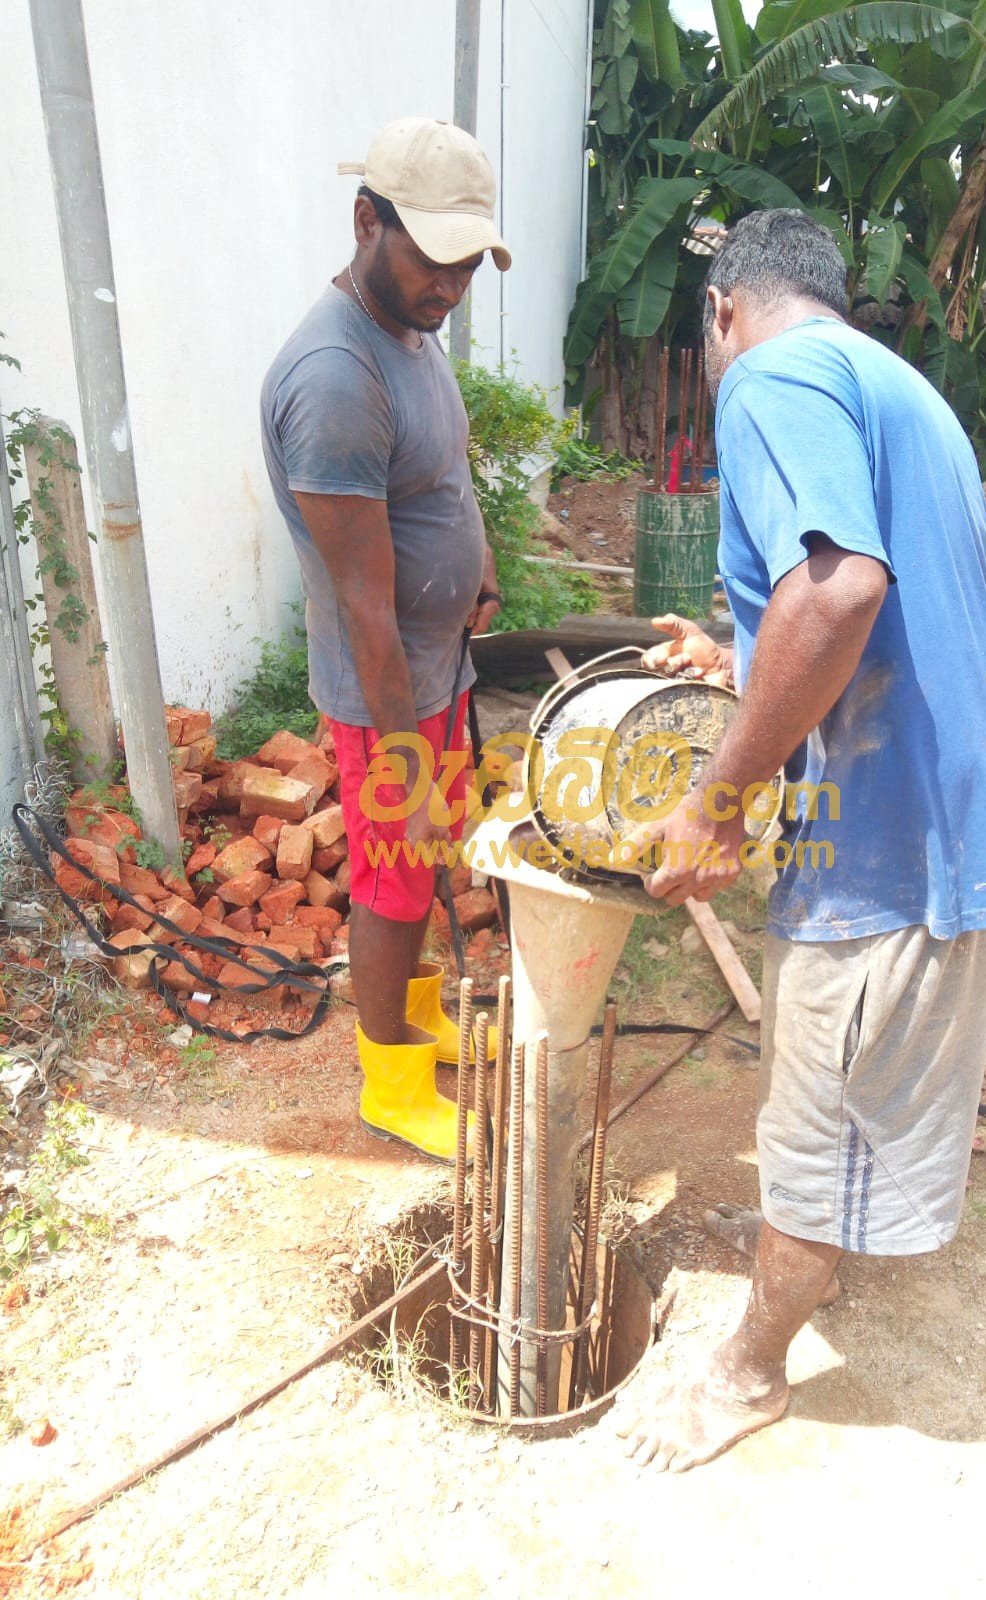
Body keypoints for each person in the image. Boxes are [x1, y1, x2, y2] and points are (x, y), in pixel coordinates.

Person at [619, 209, 986, 1471]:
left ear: (724, 308)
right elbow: (870, 609)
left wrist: (716, 800)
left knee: (820, 1105)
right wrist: (735, 656)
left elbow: (839, 591)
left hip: (890, 836)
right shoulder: (900, 390)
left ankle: (749, 1372)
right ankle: (815, 1230)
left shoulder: (771, 376)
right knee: (838, 1099)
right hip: (943, 806)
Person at [260, 118, 508, 1161]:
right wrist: (404, 756)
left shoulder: (410, 325)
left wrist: (477, 560)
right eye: (433, 258)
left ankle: (414, 1012)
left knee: (420, 856)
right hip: (385, 685)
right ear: (368, 220)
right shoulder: (334, 378)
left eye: (468, 263)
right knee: (393, 871)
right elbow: (363, 604)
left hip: (434, 663)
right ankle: (390, 1079)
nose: (451, 284)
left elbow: (444, 467)